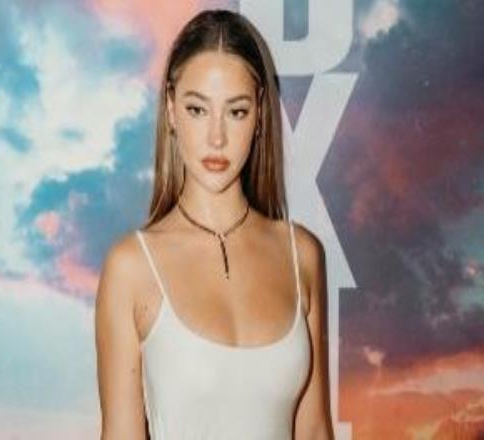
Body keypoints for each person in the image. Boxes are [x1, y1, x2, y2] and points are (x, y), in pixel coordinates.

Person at [95, 8, 333, 440]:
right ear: (171, 109)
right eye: (197, 109)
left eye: (236, 111)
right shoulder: (131, 267)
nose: (217, 137)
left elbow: (315, 430)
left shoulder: (302, 255)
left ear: (259, 115)